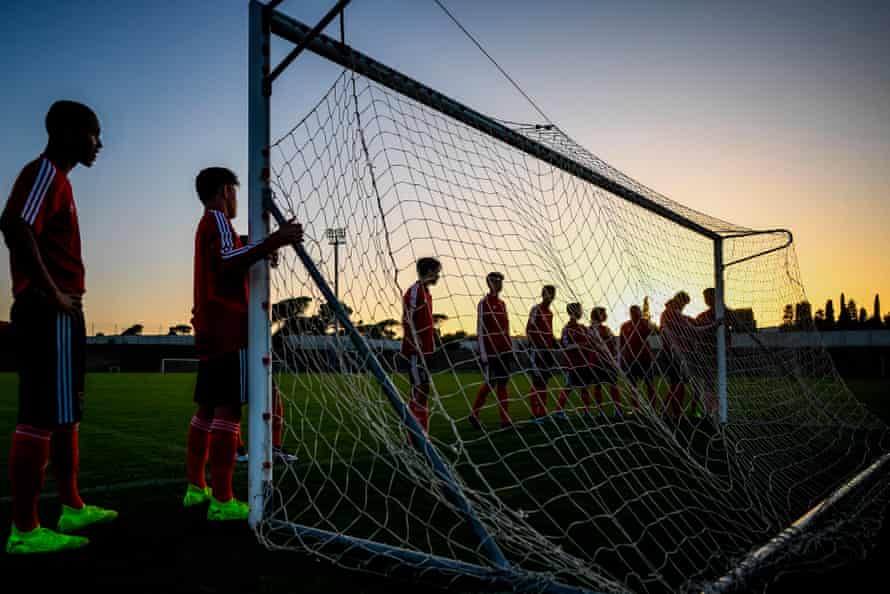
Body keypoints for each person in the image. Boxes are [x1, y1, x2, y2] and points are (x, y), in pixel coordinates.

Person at [2, 101, 117, 553]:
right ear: (68, 132)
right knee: (40, 415)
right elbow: (13, 224)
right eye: (94, 134)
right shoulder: (45, 172)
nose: (100, 144)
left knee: (65, 415)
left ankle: (70, 505)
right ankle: (25, 530)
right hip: (48, 310)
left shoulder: (60, 181)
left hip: (61, 309)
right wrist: (51, 293)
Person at [183, 167, 303, 521]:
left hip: (209, 327)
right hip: (230, 328)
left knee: (206, 412)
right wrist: (274, 241)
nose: (237, 199)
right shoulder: (218, 219)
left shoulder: (210, 225)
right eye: (234, 192)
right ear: (225, 191)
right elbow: (227, 260)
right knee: (228, 413)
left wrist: (259, 246)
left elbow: (231, 251)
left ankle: (195, 488)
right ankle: (222, 499)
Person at [401, 257, 441, 435]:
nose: (438, 275)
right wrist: (416, 343)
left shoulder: (426, 293)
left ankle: (414, 435)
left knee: (419, 391)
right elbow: (407, 319)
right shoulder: (415, 291)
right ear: (429, 271)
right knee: (422, 389)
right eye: (436, 271)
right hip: (415, 352)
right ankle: (418, 436)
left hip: (425, 352)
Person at [469, 272, 513, 430]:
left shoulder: (502, 304)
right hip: (490, 351)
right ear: (489, 283)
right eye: (496, 281)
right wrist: (483, 354)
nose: (500, 283)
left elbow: (506, 328)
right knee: (490, 382)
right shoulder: (483, 303)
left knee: (503, 383)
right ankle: (474, 414)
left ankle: (505, 420)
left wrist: (509, 347)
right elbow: (480, 329)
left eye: (501, 281)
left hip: (504, 351)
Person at [692, 287, 731, 416]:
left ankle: (718, 409)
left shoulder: (724, 313)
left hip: (720, 353)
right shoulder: (703, 316)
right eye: (705, 297)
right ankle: (710, 410)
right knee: (708, 382)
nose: (707, 300)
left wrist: (727, 347)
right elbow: (696, 331)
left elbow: (732, 328)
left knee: (720, 382)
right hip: (705, 354)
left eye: (709, 297)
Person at [554, 303, 594, 419]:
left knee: (585, 387)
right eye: (579, 310)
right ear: (573, 312)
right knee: (568, 387)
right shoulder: (567, 329)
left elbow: (591, 342)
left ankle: (586, 412)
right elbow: (566, 346)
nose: (581, 312)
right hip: (572, 364)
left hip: (584, 363)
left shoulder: (584, 328)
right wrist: (581, 345)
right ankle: (559, 411)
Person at [526, 285, 558, 421]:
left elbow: (549, 332)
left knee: (544, 382)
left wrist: (554, 343)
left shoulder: (550, 313)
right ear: (542, 294)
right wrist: (535, 346)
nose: (550, 297)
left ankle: (543, 412)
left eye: (552, 294)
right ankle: (535, 413)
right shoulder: (536, 309)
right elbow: (529, 329)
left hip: (547, 351)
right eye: (548, 293)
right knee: (537, 381)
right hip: (537, 350)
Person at [588, 307, 623, 419]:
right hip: (600, 362)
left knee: (610, 385)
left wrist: (615, 357)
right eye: (604, 313)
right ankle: (603, 411)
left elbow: (613, 343)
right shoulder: (594, 330)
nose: (606, 315)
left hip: (606, 361)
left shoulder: (604, 329)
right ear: (599, 315)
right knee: (601, 386)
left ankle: (614, 410)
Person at [619, 305, 656, 411]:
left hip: (645, 360)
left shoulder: (646, 324)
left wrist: (654, 355)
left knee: (650, 384)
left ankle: (652, 408)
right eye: (632, 312)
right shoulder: (625, 326)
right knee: (632, 386)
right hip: (630, 360)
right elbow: (622, 343)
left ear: (640, 312)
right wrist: (622, 356)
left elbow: (655, 341)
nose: (635, 314)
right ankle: (635, 408)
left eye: (637, 312)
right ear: (630, 313)